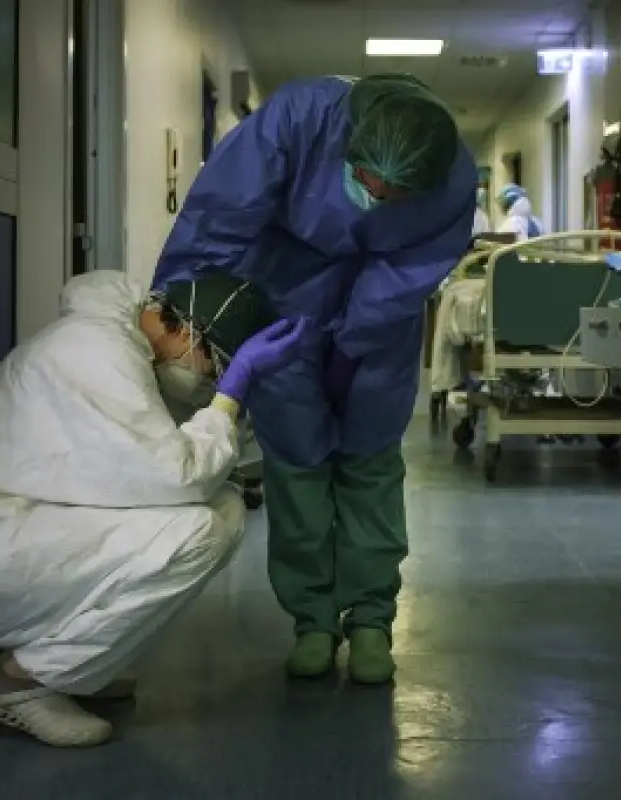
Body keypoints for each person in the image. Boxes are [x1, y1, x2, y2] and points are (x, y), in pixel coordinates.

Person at [153, 73, 476, 685]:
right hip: (281, 290)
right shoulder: (303, 117)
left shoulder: (452, 177)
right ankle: (313, 620)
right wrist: (182, 308)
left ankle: (373, 618)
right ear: (350, 146)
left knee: (370, 456)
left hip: (381, 314)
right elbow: (221, 213)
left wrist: (354, 342)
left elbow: (408, 270)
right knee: (297, 459)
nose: (374, 200)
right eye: (366, 184)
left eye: (393, 197)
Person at [0, 270, 306, 747]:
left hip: (13, 529)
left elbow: (179, 461)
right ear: (186, 331)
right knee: (200, 529)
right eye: (213, 367)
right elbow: (177, 476)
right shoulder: (98, 354)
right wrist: (228, 400)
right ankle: (21, 685)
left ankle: (67, 666)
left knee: (219, 505)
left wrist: (233, 401)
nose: (209, 381)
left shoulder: (120, 347)